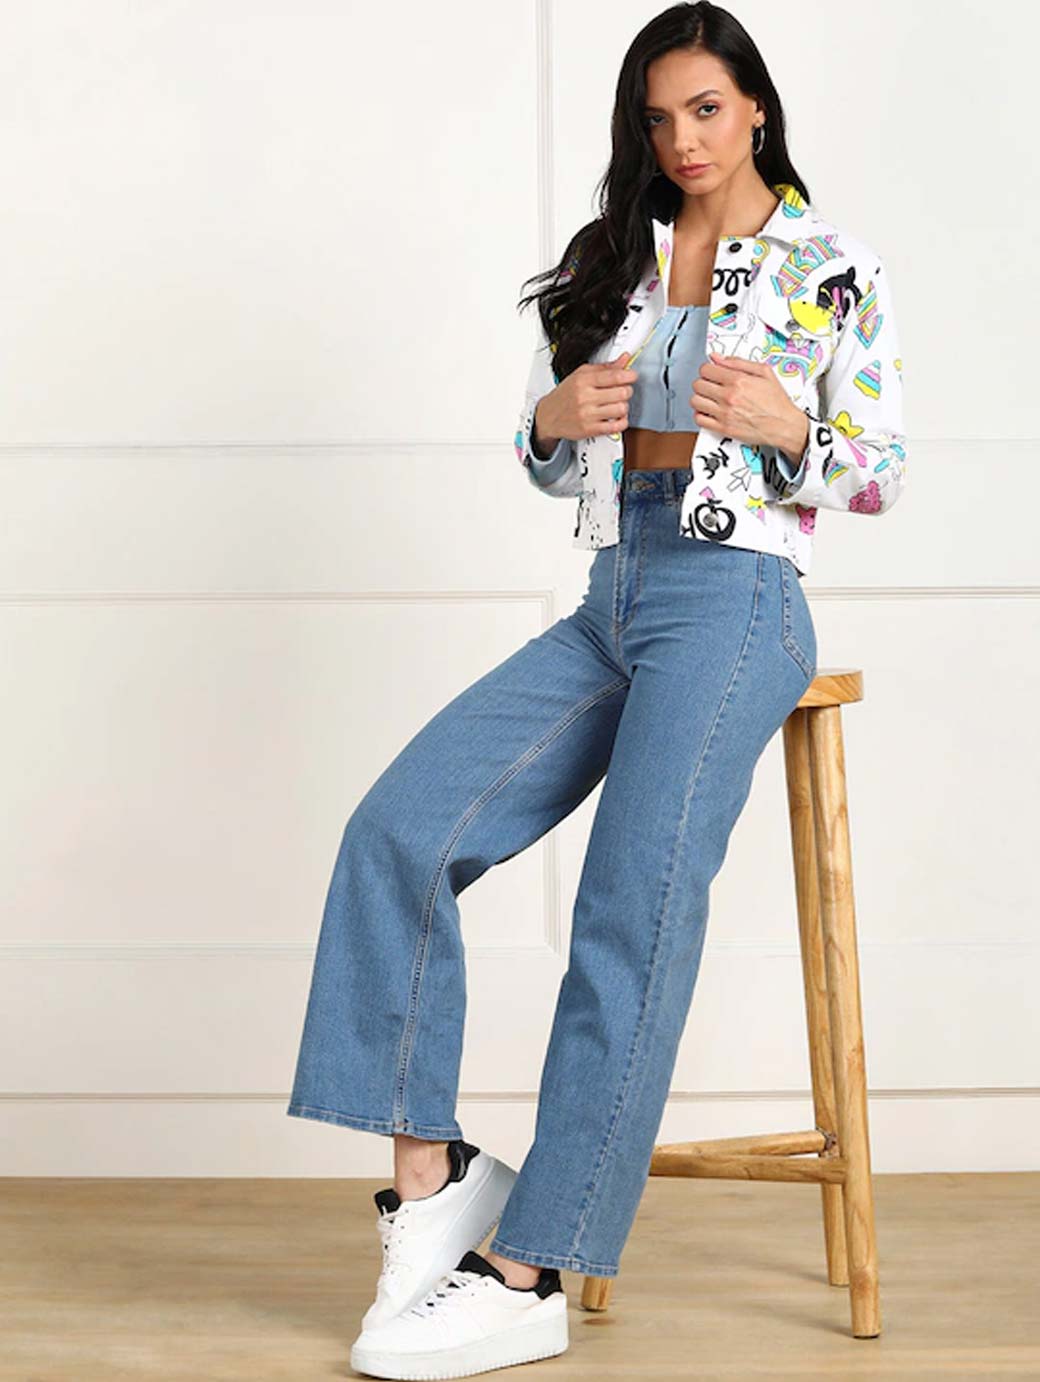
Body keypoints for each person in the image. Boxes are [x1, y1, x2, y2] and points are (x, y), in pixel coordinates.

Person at [287, 4, 907, 1377]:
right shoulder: (610, 257)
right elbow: (548, 450)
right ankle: (437, 1181)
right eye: (657, 118)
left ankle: (532, 1268)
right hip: (611, 597)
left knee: (630, 910)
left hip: (739, 603)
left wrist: (794, 427)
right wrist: (549, 423)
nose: (682, 139)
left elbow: (879, 469)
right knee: (399, 831)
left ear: (755, 106)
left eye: (705, 108)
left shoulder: (829, 267)